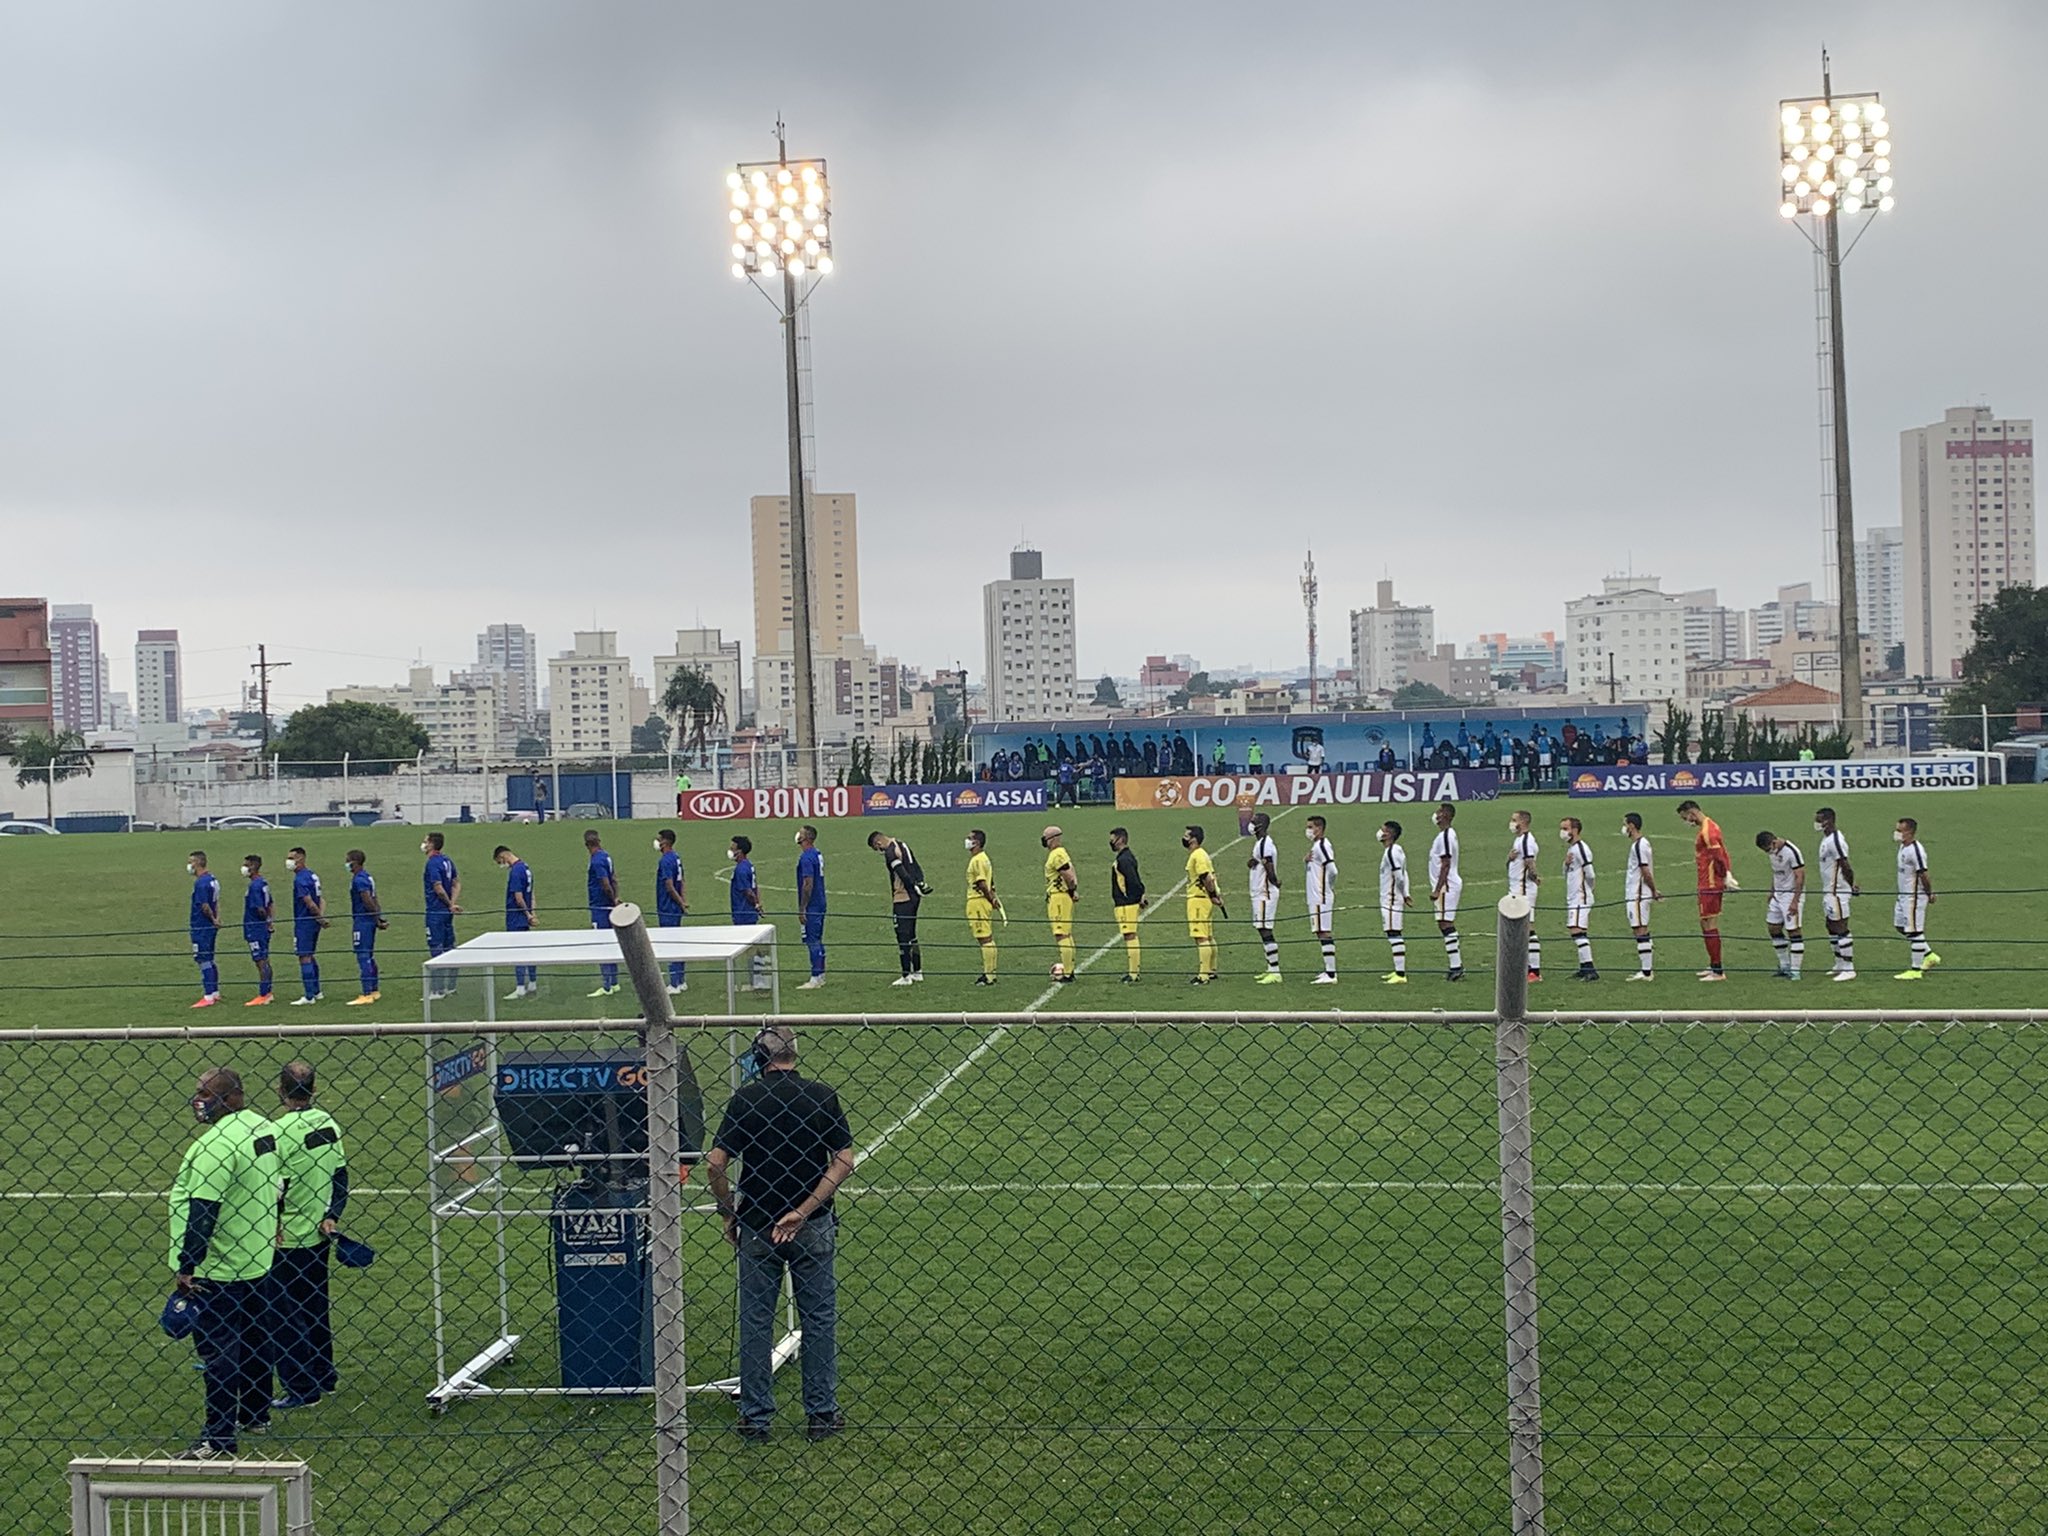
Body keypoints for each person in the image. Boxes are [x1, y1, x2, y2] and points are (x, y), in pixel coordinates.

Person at [706, 1025, 854, 1443]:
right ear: (794, 1055)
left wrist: (728, 1210)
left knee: (755, 1320)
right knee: (819, 1319)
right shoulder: (822, 1096)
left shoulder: (745, 1099)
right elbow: (843, 1160)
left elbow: (716, 1164)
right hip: (813, 1222)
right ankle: (821, 1414)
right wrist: (804, 1210)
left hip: (756, 1222)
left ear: (759, 1057)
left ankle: (756, 1417)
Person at [166, 1069, 281, 1458]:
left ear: (231, 1098)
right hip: (257, 1256)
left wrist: (188, 1264)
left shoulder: (215, 1145)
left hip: (219, 1265)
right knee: (255, 1339)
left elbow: (203, 1209)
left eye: (205, 1092)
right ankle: (255, 1412)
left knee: (219, 1352)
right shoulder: (262, 1128)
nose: (198, 1099)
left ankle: (217, 1437)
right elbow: (278, 1185)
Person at [268, 1061, 348, 1411]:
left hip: (285, 1236)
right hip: (320, 1232)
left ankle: (301, 1387)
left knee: (284, 1314)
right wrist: (332, 1215)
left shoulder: (277, 1132)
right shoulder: (328, 1123)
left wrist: (271, 1224)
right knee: (315, 1306)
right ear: (314, 1090)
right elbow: (340, 1175)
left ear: (280, 1091)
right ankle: (324, 1374)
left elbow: (275, 1186)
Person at [1676, 800, 1733, 981]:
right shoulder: (1709, 827)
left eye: (1686, 818)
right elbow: (1724, 852)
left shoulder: (1709, 831)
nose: (1687, 822)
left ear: (1692, 812)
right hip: (1706, 882)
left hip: (1710, 884)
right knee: (1705, 924)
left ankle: (1718, 971)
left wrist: (1725, 876)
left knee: (1710, 924)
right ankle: (1713, 964)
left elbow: (1719, 856)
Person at [867, 831, 925, 985]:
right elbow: (915, 865)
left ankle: (906, 975)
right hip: (915, 897)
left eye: (876, 848)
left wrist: (911, 886)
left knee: (902, 935)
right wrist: (920, 883)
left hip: (903, 897)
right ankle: (917, 971)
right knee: (912, 934)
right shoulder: (901, 843)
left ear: (878, 843)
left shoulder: (891, 852)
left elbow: (903, 873)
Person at [1814, 806, 1860, 982]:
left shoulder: (1836, 841)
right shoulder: (1826, 839)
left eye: (1819, 820)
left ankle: (1849, 968)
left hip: (1838, 891)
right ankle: (1839, 962)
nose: (1817, 823)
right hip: (1828, 890)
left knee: (1841, 926)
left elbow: (1845, 865)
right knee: (1830, 925)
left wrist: (1850, 885)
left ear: (1828, 821)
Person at [1755, 829, 1807, 980]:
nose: (1768, 852)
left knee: (1794, 931)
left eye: (1768, 849)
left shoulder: (1792, 852)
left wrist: (1795, 901)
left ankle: (1795, 971)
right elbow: (1776, 872)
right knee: (1773, 927)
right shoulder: (1772, 853)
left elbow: (1800, 876)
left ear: (1773, 842)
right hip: (1778, 895)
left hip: (1791, 895)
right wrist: (1772, 891)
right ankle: (1784, 965)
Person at [1893, 818, 1941, 980]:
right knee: (1900, 926)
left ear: (1910, 832)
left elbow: (1924, 875)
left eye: (1900, 831)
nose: (1897, 833)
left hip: (1914, 897)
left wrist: (1929, 894)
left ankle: (1915, 970)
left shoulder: (1916, 851)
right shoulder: (1902, 847)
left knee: (1914, 931)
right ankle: (1929, 955)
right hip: (1902, 896)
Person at [283, 847, 327, 1006]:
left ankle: (309, 996)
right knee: (310, 954)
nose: (288, 861)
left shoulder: (300, 879)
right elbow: (321, 899)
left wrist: (319, 917)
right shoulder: (313, 876)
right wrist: (320, 917)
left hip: (305, 922)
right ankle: (317, 991)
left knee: (304, 956)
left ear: (300, 859)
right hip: (313, 922)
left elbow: (309, 902)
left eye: (291, 858)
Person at [495, 845, 538, 999]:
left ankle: (520, 987)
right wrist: (533, 914)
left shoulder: (515, 871)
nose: (502, 865)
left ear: (503, 856)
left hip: (516, 917)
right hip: (525, 917)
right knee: (529, 950)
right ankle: (533, 982)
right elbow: (532, 892)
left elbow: (518, 897)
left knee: (518, 951)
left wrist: (527, 914)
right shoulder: (526, 867)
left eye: (500, 861)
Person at [422, 833, 461, 1000]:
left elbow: (438, 887)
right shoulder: (447, 860)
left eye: (425, 841)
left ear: (431, 844)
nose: (423, 844)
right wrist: (452, 903)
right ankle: (450, 987)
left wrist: (448, 903)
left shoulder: (432, 863)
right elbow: (456, 883)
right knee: (450, 948)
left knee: (436, 949)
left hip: (435, 912)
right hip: (446, 913)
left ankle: (437, 990)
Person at [344, 849, 385, 1006]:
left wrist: (375, 917)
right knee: (368, 955)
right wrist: (379, 918)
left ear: (354, 862)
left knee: (363, 955)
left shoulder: (359, 880)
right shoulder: (367, 877)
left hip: (362, 921)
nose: (346, 864)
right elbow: (375, 898)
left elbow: (367, 900)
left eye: (348, 861)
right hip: (369, 921)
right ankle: (374, 990)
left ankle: (367, 993)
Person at [1183, 824, 1223, 983]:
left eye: (1186, 836)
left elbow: (1206, 877)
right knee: (1208, 936)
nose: (1184, 838)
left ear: (1193, 839)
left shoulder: (1197, 856)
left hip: (1198, 899)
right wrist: (1215, 894)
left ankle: (1203, 975)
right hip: (1203, 899)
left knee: (1201, 937)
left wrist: (1213, 894)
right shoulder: (1202, 854)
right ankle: (1212, 969)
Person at [1428, 803, 1463, 982]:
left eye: (1440, 812)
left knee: (1445, 923)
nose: (1436, 815)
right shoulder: (1445, 835)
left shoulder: (1446, 836)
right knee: (1444, 923)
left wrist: (1437, 888)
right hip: (1446, 884)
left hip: (1446, 885)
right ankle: (1455, 964)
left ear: (1447, 815)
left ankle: (1456, 966)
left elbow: (1446, 863)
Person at [1560, 817, 1598, 982]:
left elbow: (1590, 873)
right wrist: (1565, 864)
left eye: (1565, 828)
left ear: (1574, 830)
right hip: (1574, 896)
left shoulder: (1581, 849)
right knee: (1577, 930)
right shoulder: (1572, 850)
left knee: (1577, 930)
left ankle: (1590, 969)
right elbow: (1566, 874)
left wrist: (1588, 889)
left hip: (1580, 896)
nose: (1562, 832)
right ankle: (1584, 967)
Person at [1622, 813, 1659, 981]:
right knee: (1640, 929)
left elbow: (1645, 871)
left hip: (1637, 894)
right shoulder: (1641, 844)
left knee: (1639, 930)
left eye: (1625, 824)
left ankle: (1646, 972)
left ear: (1631, 826)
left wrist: (1654, 890)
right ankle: (1647, 969)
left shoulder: (1639, 846)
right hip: (1638, 893)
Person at [1247, 812, 1283, 983]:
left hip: (1264, 893)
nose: (1251, 824)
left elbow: (1268, 864)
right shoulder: (1260, 844)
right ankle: (1270, 968)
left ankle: (1275, 971)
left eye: (1254, 822)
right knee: (1261, 928)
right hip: (1259, 892)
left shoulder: (1265, 845)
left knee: (1265, 929)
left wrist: (1275, 881)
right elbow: (1261, 861)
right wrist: (1253, 862)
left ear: (1261, 825)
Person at [585, 829, 620, 998]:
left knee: (602, 945)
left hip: (600, 907)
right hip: (609, 906)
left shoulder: (597, 860)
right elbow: (614, 879)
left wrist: (612, 899)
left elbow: (606, 883)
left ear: (587, 845)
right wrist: (617, 898)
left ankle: (606, 986)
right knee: (611, 944)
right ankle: (614, 982)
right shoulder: (606, 856)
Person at [1507, 811, 1542, 982]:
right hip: (1516, 888)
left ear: (1523, 822)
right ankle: (1524, 967)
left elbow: (1530, 862)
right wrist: (1509, 858)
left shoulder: (1527, 840)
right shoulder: (1519, 840)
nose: (1511, 823)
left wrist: (1535, 877)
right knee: (1518, 929)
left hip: (1524, 890)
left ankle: (1535, 971)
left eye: (1514, 820)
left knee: (1528, 927)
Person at [1304, 814, 1339, 984]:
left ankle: (1331, 974)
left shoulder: (1322, 846)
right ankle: (1328, 971)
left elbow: (1333, 870)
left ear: (1319, 828)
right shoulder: (1316, 847)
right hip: (1317, 895)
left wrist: (1329, 887)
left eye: (1310, 827)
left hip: (1320, 895)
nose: (1308, 830)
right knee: (1320, 931)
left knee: (1324, 931)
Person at [1108, 827, 1145, 984]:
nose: (1110, 842)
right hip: (1126, 902)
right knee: (1129, 935)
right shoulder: (1125, 857)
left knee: (1130, 935)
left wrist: (1137, 896)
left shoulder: (1124, 860)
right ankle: (1133, 971)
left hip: (1126, 903)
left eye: (1112, 839)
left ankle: (1133, 973)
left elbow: (1133, 880)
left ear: (1121, 839)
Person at [965, 828, 1001, 985]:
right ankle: (990, 973)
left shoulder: (977, 860)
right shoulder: (984, 858)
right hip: (981, 901)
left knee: (984, 939)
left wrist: (990, 898)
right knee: (987, 938)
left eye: (969, 838)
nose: (966, 840)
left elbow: (982, 883)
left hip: (978, 901)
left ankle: (989, 976)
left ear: (976, 842)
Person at [1376, 820, 1411, 984]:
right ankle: (1398, 971)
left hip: (1391, 898)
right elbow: (1405, 873)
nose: (1379, 833)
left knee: (1394, 933)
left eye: (1382, 830)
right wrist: (1406, 893)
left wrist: (1404, 894)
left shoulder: (1391, 852)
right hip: (1392, 897)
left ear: (1388, 834)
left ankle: (1401, 974)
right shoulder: (1397, 850)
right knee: (1392, 932)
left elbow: (1399, 876)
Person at [1041, 825, 1077, 980]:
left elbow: (1069, 876)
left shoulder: (1057, 854)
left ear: (1053, 839)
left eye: (1046, 838)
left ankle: (1068, 973)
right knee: (1065, 934)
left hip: (1058, 898)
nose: (1044, 841)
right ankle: (1069, 970)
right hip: (1061, 897)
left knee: (1061, 935)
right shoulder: (1061, 853)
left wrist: (1071, 889)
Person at [188, 851, 223, 1008]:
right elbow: (216, 902)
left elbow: (205, 905)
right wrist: (217, 919)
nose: (189, 866)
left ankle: (208, 995)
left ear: (198, 863)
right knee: (210, 958)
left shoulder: (201, 883)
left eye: (191, 862)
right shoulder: (213, 880)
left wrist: (213, 919)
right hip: (210, 926)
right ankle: (215, 992)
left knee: (203, 959)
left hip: (201, 926)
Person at [656, 830, 689, 995]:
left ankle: (674, 984)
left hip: (667, 908)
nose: (656, 841)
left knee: (670, 944)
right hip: (675, 908)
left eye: (659, 839)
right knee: (678, 942)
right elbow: (682, 881)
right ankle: (681, 980)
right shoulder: (676, 857)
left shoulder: (665, 861)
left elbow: (669, 885)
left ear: (665, 842)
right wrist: (683, 901)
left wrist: (679, 902)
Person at [240, 855, 275, 1007]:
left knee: (260, 961)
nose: (244, 867)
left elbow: (260, 908)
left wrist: (265, 919)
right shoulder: (263, 883)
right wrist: (270, 922)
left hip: (255, 928)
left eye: (246, 865)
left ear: (254, 866)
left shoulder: (255, 886)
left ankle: (264, 994)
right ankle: (268, 992)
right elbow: (271, 904)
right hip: (261, 928)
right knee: (264, 959)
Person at [795, 826, 827, 990]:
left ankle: (815, 977)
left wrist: (802, 908)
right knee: (818, 939)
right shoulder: (817, 853)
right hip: (820, 901)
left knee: (812, 940)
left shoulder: (806, 857)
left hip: (812, 905)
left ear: (806, 837)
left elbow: (808, 884)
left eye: (800, 832)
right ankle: (821, 974)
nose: (797, 835)